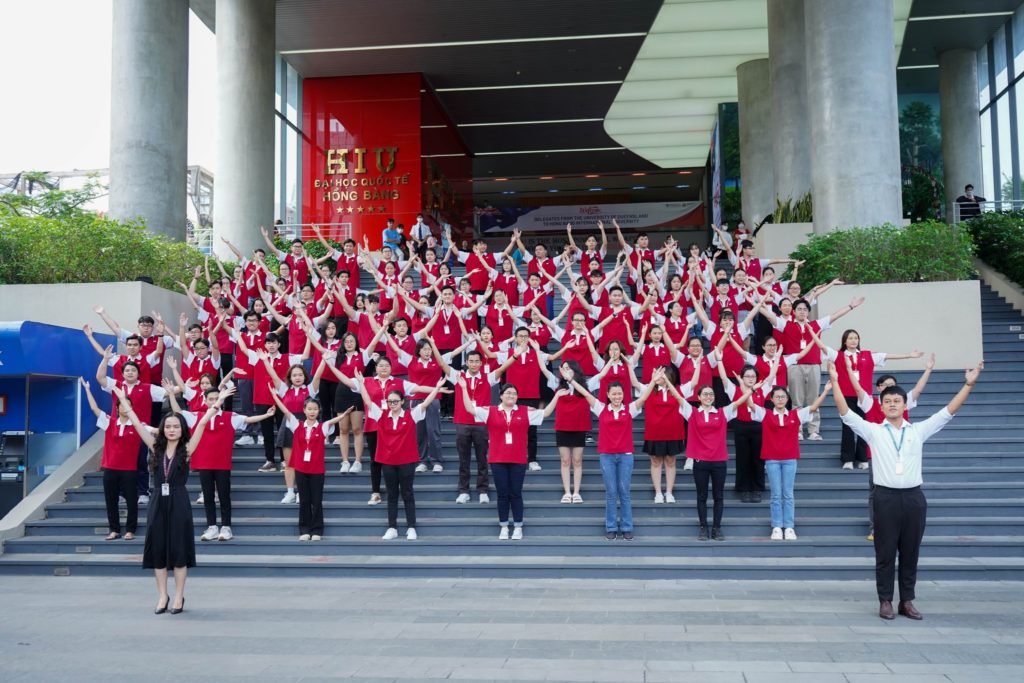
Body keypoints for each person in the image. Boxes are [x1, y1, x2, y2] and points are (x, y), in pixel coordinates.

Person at [828, 359, 983, 620]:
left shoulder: (918, 431)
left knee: (911, 552)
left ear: (904, 405)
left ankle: (907, 601)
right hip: (884, 497)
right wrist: (834, 381)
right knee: (885, 552)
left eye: (897, 401)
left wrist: (968, 384)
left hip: (913, 498)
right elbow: (846, 414)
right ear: (881, 405)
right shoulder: (874, 431)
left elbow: (948, 412)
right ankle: (885, 600)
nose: (892, 404)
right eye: (887, 401)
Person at [112, 384, 223, 614]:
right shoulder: (154, 447)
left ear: (182, 429)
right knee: (158, 548)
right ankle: (162, 596)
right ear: (162, 429)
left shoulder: (188, 449)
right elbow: (135, 421)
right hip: (157, 503)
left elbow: (202, 423)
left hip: (179, 500)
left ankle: (179, 597)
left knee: (179, 549)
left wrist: (217, 402)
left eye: (176, 427)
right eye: (168, 426)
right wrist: (123, 398)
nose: (172, 430)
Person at [167, 382, 276, 542]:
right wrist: (170, 394)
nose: (213, 401)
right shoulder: (196, 416)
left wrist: (266, 415)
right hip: (204, 464)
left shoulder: (230, 417)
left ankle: (226, 527)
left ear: (222, 400)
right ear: (205, 400)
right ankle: (212, 527)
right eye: (210, 399)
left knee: (224, 496)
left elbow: (248, 419)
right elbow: (177, 412)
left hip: (222, 464)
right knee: (208, 497)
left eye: (217, 398)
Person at [461, 379, 564, 539]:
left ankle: (517, 526)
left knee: (516, 493)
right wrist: (463, 388)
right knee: (502, 494)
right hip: (498, 459)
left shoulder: (524, 411)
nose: (511, 395)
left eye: (514, 393)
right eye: (508, 393)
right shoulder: (491, 411)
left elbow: (546, 413)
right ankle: (503, 525)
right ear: (501, 396)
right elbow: (469, 408)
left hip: (518, 459)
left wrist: (556, 396)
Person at [663, 361, 751, 541]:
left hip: (719, 461)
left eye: (711, 394)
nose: (709, 397)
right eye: (705, 394)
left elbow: (739, 401)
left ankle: (717, 528)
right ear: (700, 396)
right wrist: (667, 380)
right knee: (701, 496)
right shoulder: (692, 412)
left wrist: (748, 388)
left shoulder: (723, 412)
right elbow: (678, 397)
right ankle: (703, 526)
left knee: (718, 496)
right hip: (700, 462)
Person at [355, 377, 450, 539]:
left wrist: (436, 388)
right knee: (392, 495)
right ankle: (392, 527)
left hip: (406, 461)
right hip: (388, 462)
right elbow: (369, 402)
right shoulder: (381, 415)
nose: (392, 404)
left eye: (395, 401)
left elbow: (425, 403)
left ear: (402, 401)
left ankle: (411, 527)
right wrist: (361, 383)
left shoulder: (411, 415)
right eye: (390, 401)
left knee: (407, 493)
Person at [567, 371, 657, 540]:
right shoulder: (601, 408)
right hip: (607, 456)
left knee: (624, 492)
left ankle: (627, 526)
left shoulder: (629, 409)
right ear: (608, 395)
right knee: (611, 492)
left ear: (624, 395)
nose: (617, 396)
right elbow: (586, 393)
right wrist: (571, 380)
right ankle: (611, 526)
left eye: (620, 393)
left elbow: (644, 398)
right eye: (614, 393)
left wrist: (652, 381)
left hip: (625, 456)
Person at [819, 329, 923, 470]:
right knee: (848, 428)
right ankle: (847, 459)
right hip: (846, 397)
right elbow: (822, 347)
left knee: (865, 428)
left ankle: (862, 458)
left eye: (856, 338)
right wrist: (812, 333)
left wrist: (909, 356)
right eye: (850, 338)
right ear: (845, 341)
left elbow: (888, 356)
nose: (854, 340)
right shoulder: (838, 355)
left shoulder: (867, 355)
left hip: (864, 398)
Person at [750, 383, 830, 540]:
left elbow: (813, 407)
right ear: (771, 399)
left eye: (783, 397)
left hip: (789, 460)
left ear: (787, 399)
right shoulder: (765, 414)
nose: (780, 399)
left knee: (788, 494)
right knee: (775, 494)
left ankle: (789, 526)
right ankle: (777, 526)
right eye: (777, 397)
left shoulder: (796, 414)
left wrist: (826, 390)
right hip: (772, 460)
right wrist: (750, 390)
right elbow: (750, 404)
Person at [269, 391, 349, 541]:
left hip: (317, 470)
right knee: (304, 500)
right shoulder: (296, 425)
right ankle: (304, 529)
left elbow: (334, 420)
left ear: (319, 411)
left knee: (316, 500)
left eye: (315, 409)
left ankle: (317, 530)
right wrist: (275, 397)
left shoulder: (323, 427)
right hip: (300, 469)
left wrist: (344, 415)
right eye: (309, 409)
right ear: (304, 410)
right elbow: (286, 411)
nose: (312, 412)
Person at [80, 378, 141, 542]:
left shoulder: (137, 425)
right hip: (110, 468)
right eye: (121, 404)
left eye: (127, 404)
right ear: (117, 407)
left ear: (131, 408)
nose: (124, 407)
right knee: (111, 500)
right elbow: (94, 408)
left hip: (129, 469)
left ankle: (130, 529)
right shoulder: (109, 422)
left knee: (132, 500)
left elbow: (155, 431)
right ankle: (114, 529)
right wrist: (87, 389)